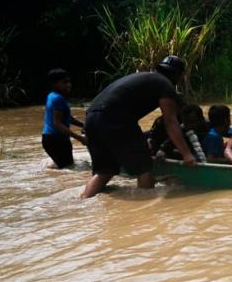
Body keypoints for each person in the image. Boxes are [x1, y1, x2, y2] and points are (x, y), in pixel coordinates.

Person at [80, 55, 195, 199]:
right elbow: (170, 121)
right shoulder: (166, 85)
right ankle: (146, 205)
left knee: (104, 172)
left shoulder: (144, 78)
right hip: (116, 119)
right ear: (179, 75)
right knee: (144, 168)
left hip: (91, 118)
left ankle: (83, 202)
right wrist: (186, 154)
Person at [41, 68, 85, 168]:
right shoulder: (58, 99)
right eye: (64, 82)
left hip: (52, 139)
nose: (68, 85)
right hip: (56, 140)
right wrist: (80, 138)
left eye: (69, 82)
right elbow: (57, 123)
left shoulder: (52, 96)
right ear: (54, 84)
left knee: (66, 168)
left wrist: (84, 125)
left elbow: (68, 118)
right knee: (68, 169)